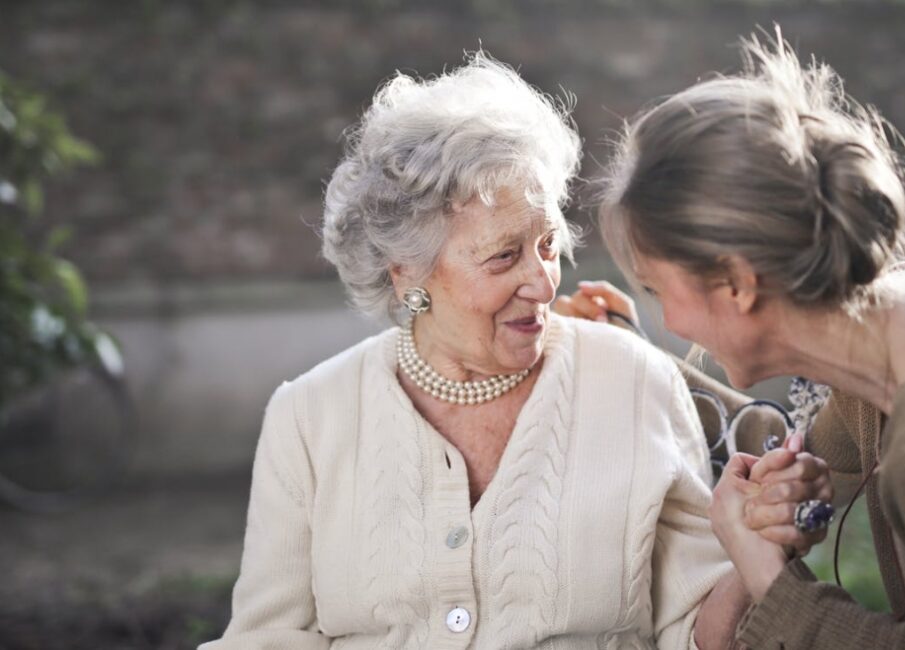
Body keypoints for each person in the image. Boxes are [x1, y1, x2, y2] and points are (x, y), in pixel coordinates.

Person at [200, 53, 807, 650]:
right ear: (407, 275)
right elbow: (269, 636)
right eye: (503, 256)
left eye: (547, 244)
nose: (544, 283)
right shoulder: (309, 417)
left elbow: (692, 627)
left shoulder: (632, 381)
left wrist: (757, 544)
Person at [560, 30, 905, 649]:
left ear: (736, 284)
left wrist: (773, 585)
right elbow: (795, 443)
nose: (669, 320)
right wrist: (632, 357)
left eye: (656, 290)